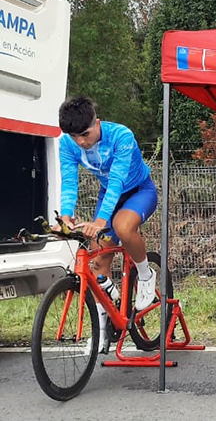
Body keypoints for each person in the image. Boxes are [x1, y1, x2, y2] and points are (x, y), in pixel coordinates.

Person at [58, 96, 159, 352]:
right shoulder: (67, 145)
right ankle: (103, 329)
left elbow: (116, 181)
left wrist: (101, 221)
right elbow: (69, 181)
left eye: (85, 133)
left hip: (138, 190)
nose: (81, 141)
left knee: (123, 227)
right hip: (109, 196)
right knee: (98, 262)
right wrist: (66, 216)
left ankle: (146, 275)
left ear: (97, 123)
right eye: (74, 136)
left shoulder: (121, 136)